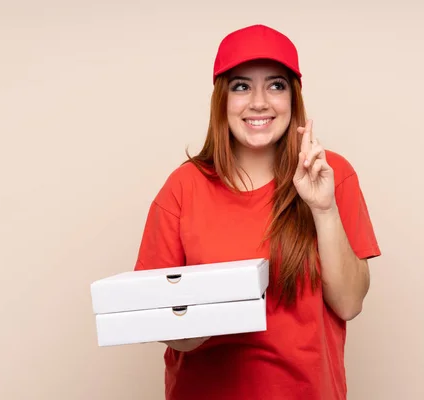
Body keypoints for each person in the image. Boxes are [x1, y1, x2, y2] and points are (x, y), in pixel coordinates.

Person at [134, 24, 381, 400]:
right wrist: (213, 313)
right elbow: (160, 322)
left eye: (276, 85)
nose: (260, 102)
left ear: (293, 98)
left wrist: (324, 209)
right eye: (242, 86)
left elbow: (349, 303)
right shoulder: (182, 188)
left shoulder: (330, 175)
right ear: (222, 99)